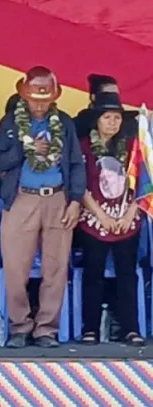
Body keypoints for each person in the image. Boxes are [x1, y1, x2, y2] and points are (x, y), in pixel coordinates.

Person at [0, 66, 84, 348]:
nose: (40, 104)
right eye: (34, 99)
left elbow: (77, 163)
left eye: (45, 99)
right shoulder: (11, 122)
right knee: (16, 267)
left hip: (57, 198)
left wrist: (76, 200)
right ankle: (20, 326)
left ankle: (46, 329)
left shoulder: (65, 123)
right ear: (24, 96)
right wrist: (26, 148)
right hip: (22, 197)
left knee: (55, 267)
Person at [75, 92, 144, 347]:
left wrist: (130, 213)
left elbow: (145, 183)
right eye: (107, 117)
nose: (113, 123)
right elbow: (78, 184)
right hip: (94, 220)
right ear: (97, 120)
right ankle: (90, 329)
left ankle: (131, 329)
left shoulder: (133, 147)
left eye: (117, 118)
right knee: (93, 273)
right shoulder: (83, 147)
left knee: (127, 274)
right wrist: (101, 215)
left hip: (127, 219)